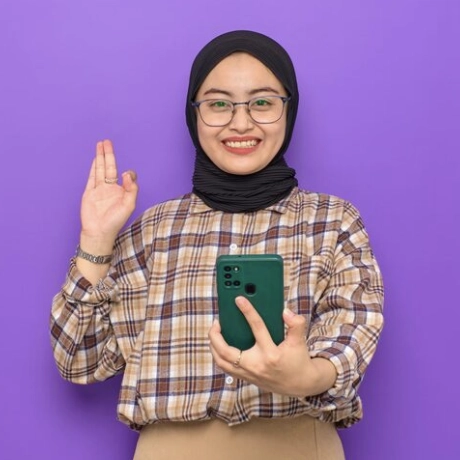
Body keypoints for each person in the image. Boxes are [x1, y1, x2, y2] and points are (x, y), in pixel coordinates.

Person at [50, 30, 384, 460]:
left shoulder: (332, 221)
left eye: (262, 102)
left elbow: (353, 332)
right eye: (219, 104)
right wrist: (95, 240)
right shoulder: (155, 230)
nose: (240, 123)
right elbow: (80, 360)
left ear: (289, 109)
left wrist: (306, 376)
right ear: (195, 114)